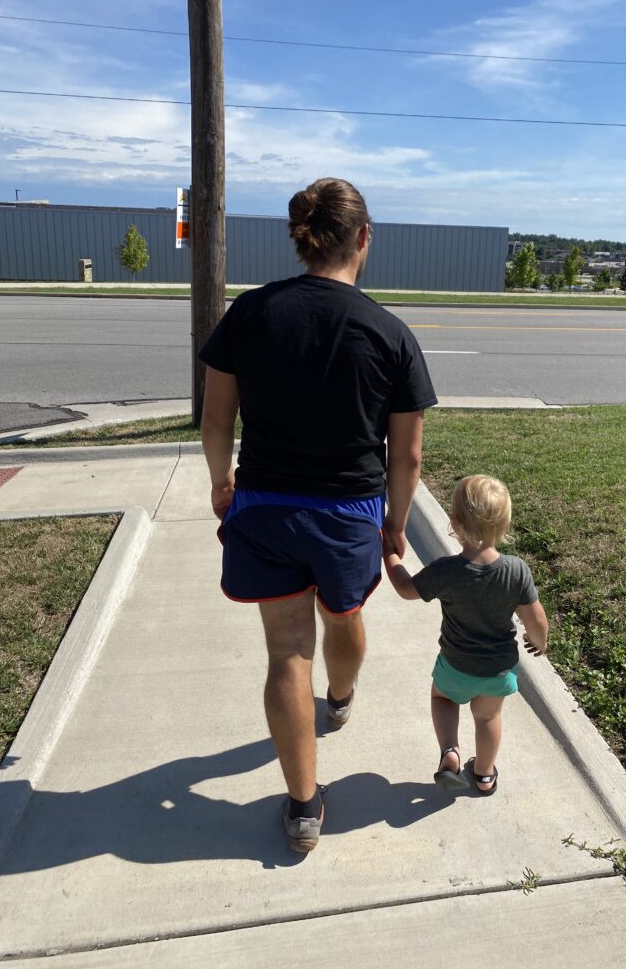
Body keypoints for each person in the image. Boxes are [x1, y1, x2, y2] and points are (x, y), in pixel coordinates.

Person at [199, 177, 437, 852]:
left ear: (303, 239)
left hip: (267, 506)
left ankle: (304, 808)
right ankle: (339, 699)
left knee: (284, 653)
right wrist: (393, 524)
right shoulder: (390, 332)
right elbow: (408, 456)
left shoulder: (250, 313)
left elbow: (216, 420)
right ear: (363, 238)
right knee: (345, 616)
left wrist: (222, 484)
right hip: (348, 515)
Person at [382, 474, 549, 795]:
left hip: (455, 665)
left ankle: (451, 754)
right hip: (497, 671)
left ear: (455, 523)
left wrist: (391, 557)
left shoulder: (446, 571)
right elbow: (537, 620)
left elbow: (405, 588)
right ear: (504, 524)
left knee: (442, 699)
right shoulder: (516, 571)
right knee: (488, 718)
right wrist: (538, 643)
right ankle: (485, 775)